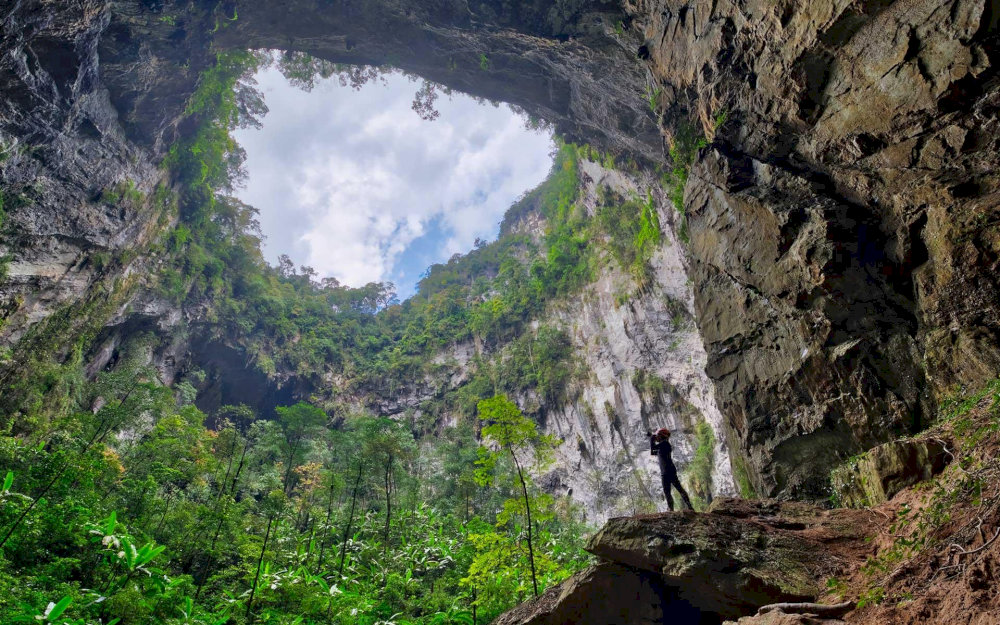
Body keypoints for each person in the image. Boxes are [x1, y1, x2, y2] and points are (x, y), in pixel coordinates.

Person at [649, 428, 693, 511]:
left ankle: (687, 507)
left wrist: (652, 439)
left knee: (675, 490)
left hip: (668, 471)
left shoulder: (665, 444)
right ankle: (675, 508)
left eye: (658, 436)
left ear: (662, 436)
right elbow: (652, 452)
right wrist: (652, 439)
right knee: (669, 491)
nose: (657, 437)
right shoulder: (662, 446)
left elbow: (653, 447)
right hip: (666, 472)